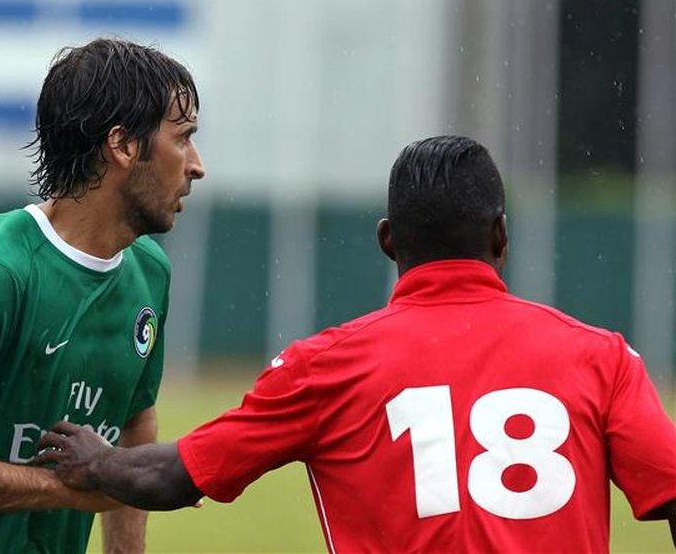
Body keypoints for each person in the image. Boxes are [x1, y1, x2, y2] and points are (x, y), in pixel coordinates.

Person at [37, 135, 676, 551]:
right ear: (501, 237)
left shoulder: (327, 367)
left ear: (388, 241)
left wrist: (100, 461)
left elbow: (177, 477)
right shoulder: (602, 357)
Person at [0, 37, 206, 553]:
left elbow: (134, 417)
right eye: (182, 138)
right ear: (122, 145)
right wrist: (68, 490)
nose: (197, 165)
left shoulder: (149, 273)